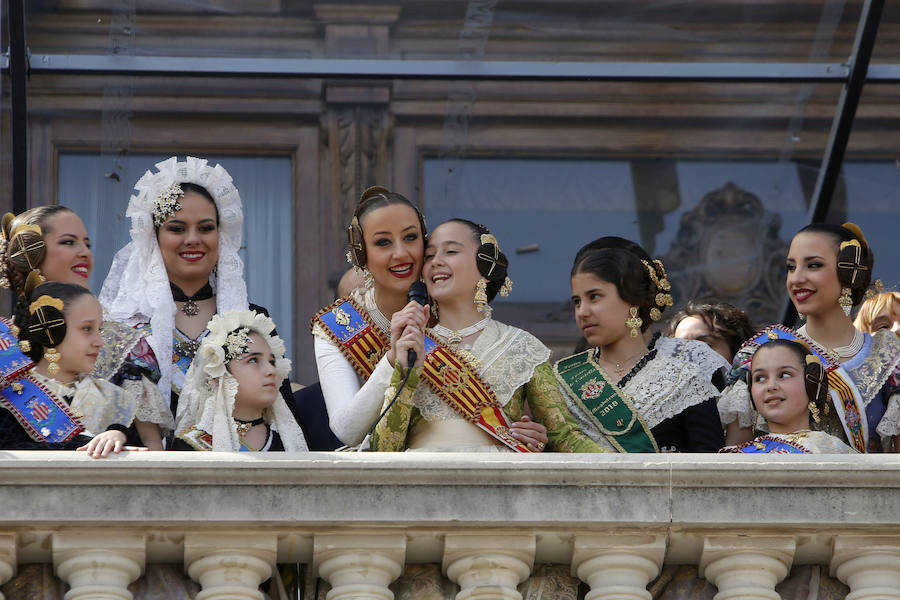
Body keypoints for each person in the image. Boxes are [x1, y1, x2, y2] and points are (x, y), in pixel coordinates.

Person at [311, 188, 548, 451]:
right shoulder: (340, 325)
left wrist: (520, 431)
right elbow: (346, 430)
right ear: (360, 254)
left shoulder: (447, 293)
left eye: (411, 238)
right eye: (383, 242)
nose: (401, 253)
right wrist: (392, 361)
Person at [99, 156, 300, 445]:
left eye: (205, 228)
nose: (192, 239)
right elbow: (104, 420)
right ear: (154, 237)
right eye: (177, 228)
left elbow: (281, 417)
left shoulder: (250, 318)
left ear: (222, 235)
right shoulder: (126, 324)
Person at [369, 219, 604, 452]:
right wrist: (404, 373)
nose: (436, 262)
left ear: (486, 265)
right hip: (422, 480)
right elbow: (384, 449)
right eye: (429, 256)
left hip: (497, 483)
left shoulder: (521, 346)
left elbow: (563, 436)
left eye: (450, 251)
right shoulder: (410, 345)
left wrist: (635, 466)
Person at [0, 206, 171, 449]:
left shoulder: (126, 344)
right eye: (69, 242)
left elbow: (151, 452)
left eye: (87, 244)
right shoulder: (4, 345)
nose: (84, 253)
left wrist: (118, 434)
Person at [721, 222, 900, 452]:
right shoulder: (757, 353)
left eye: (813, 265)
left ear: (849, 273)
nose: (796, 279)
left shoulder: (890, 357)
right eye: (791, 267)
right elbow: (734, 463)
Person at [555, 237, 728, 452]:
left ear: (632, 300)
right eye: (577, 302)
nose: (582, 312)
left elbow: (709, 470)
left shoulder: (686, 380)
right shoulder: (562, 379)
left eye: (595, 297)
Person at [0, 279, 145, 457]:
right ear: (49, 330)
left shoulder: (116, 400)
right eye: (86, 328)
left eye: (99, 329)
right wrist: (84, 444)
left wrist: (118, 433)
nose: (99, 342)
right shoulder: (8, 398)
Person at [173, 310, 307, 451]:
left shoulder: (288, 443)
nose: (271, 371)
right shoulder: (192, 447)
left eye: (272, 362)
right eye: (253, 360)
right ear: (219, 374)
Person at [720, 336, 855, 453]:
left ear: (812, 382)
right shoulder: (738, 457)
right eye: (760, 378)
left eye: (784, 375)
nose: (771, 386)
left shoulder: (834, 453)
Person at [668, 300, 755, 445]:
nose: (692, 355)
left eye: (706, 345)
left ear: (735, 349)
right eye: (680, 349)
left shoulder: (742, 400)